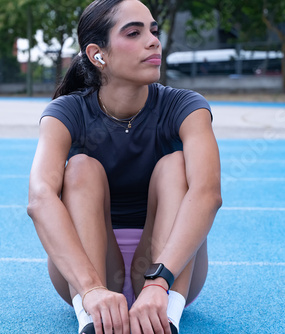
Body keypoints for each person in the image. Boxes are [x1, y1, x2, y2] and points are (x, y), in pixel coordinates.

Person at [27, 0, 222, 333]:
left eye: (153, 30)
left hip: (171, 271)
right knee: (79, 168)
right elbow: (40, 197)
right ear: (97, 54)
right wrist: (91, 289)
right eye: (134, 32)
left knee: (176, 165)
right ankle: (92, 320)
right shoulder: (65, 113)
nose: (152, 40)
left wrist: (159, 283)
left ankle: (165, 318)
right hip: (89, 272)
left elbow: (208, 193)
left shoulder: (187, 107)